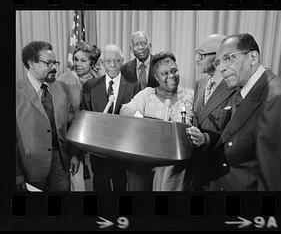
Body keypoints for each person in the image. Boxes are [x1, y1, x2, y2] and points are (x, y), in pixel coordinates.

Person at [205, 33, 281, 191]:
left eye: (229, 58)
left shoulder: (275, 98)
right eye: (219, 62)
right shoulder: (244, 87)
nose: (221, 68)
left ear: (253, 57)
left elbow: (272, 180)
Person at [120, 51, 194, 191]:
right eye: (164, 73)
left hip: (176, 168)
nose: (171, 76)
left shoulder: (190, 95)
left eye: (174, 71)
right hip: (145, 164)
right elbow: (126, 110)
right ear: (156, 77)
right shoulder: (147, 94)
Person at [16, 41, 80, 191]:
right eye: (49, 63)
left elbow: (71, 124)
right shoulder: (16, 92)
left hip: (61, 164)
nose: (55, 67)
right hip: (30, 168)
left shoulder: (62, 88)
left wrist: (75, 155)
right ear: (32, 64)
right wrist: (16, 174)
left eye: (55, 62)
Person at [81, 44, 140, 193]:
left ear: (122, 61)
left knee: (120, 181)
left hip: (122, 147)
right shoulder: (90, 86)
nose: (112, 65)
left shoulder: (134, 86)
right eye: (108, 61)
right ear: (102, 63)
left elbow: (137, 119)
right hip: (98, 148)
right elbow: (86, 116)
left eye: (116, 60)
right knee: (100, 183)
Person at [187, 34, 236, 191]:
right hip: (196, 167)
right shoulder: (201, 83)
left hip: (218, 171)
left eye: (201, 54)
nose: (196, 59)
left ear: (218, 58)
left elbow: (236, 134)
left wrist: (206, 139)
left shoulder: (234, 87)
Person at [58, 41, 101, 191]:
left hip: (94, 139)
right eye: (75, 59)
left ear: (93, 63)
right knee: (77, 180)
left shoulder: (100, 80)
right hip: (72, 138)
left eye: (83, 60)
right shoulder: (63, 80)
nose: (77, 63)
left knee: (98, 179)